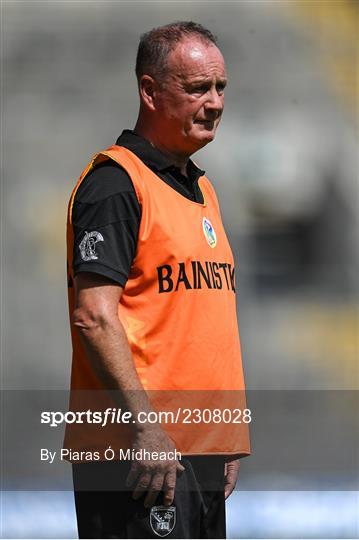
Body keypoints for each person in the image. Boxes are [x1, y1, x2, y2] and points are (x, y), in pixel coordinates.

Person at [65, 21, 250, 539]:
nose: (214, 103)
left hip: (196, 453)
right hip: (142, 454)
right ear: (149, 91)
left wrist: (222, 436)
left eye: (220, 89)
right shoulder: (116, 185)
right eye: (196, 89)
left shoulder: (200, 188)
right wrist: (145, 427)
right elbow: (94, 316)